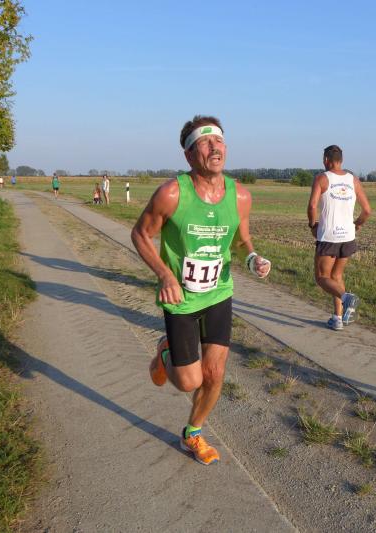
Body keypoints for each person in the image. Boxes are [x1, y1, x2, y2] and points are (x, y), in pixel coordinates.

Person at [131, 115, 271, 465]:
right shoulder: (172, 193)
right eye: (205, 143)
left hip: (218, 293)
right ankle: (165, 352)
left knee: (215, 373)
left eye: (219, 141)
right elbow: (140, 234)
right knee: (189, 382)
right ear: (189, 155)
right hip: (181, 299)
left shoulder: (240, 196)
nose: (215, 147)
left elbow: (241, 238)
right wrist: (165, 274)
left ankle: (192, 432)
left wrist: (252, 257)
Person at [307, 145, 371, 331]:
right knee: (336, 276)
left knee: (322, 277)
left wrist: (312, 225)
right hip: (348, 237)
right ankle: (338, 318)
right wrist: (357, 224)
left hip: (329, 236)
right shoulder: (353, 180)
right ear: (341, 160)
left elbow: (312, 206)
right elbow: (367, 210)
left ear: (326, 160)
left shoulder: (321, 178)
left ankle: (346, 298)